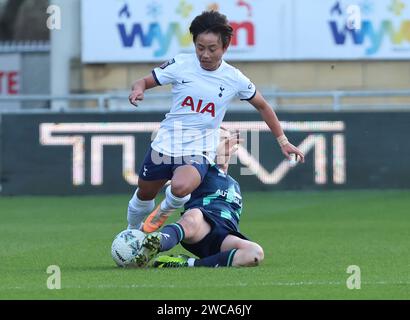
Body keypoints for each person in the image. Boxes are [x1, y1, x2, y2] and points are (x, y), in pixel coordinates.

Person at [127, 10, 304, 235]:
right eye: (200, 47)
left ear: (225, 48)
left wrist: (283, 141)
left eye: (212, 48)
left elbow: (263, 106)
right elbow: (142, 81)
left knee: (181, 187)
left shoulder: (234, 78)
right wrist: (137, 91)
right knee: (144, 194)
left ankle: (162, 214)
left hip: (199, 148)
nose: (205, 54)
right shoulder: (181, 64)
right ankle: (131, 232)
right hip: (166, 142)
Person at [138, 129, 264, 268]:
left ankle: (187, 263)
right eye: (222, 140)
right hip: (200, 227)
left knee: (255, 253)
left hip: (224, 235)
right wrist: (152, 222)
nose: (227, 144)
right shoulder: (199, 170)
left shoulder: (234, 183)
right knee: (194, 215)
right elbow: (175, 193)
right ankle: (156, 243)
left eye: (228, 140)